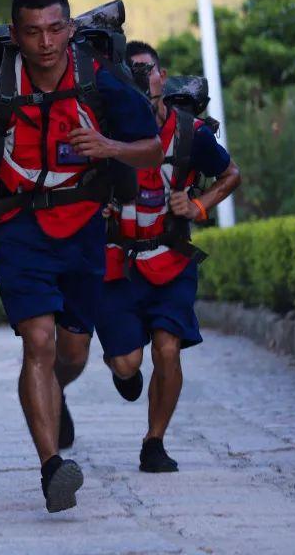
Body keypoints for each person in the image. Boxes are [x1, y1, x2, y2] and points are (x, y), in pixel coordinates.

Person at [0, 0, 162, 512]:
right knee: (37, 341)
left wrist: (108, 146)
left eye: (56, 29)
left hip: (83, 228)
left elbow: (151, 148)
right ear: (16, 34)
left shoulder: (99, 81)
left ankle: (54, 397)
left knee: (72, 351)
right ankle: (51, 467)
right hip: (20, 227)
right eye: (33, 32)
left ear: (71, 29)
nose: (45, 42)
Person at [98, 42, 241, 472]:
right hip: (118, 263)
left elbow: (230, 173)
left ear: (163, 76)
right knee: (127, 363)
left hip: (171, 258)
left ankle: (154, 441)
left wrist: (199, 206)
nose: (143, 79)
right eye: (133, 72)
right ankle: (124, 372)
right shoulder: (106, 128)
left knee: (167, 349)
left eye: (149, 70)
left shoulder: (189, 133)